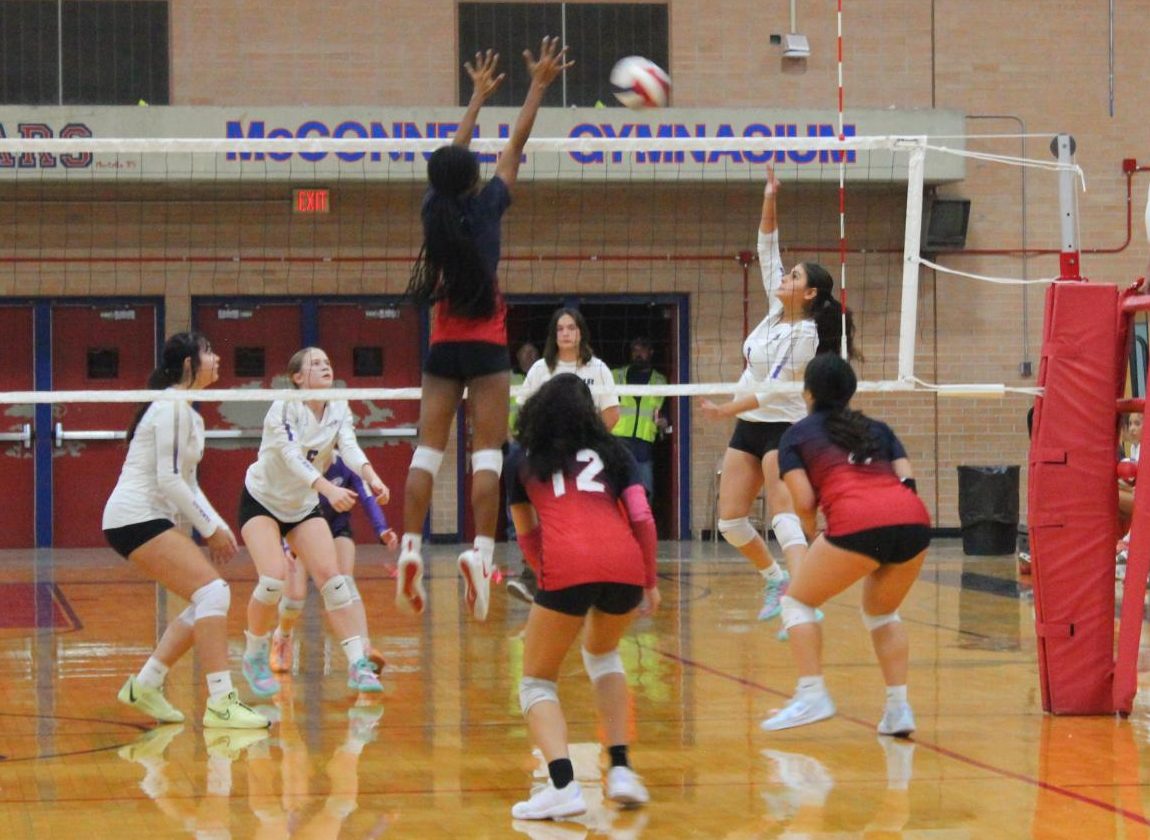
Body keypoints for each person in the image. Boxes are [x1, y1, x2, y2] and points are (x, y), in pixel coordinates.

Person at [398, 38, 573, 622]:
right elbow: (515, 144)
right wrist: (538, 87)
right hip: (488, 347)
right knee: (488, 457)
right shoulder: (491, 205)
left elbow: (452, 159)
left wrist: (473, 98)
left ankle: (410, 547)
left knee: (428, 450)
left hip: (444, 347)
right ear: (475, 178)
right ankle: (478, 552)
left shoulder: (434, 212)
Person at [699, 163, 856, 624]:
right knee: (730, 522)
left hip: (784, 426)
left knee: (782, 517)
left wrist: (724, 407)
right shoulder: (775, 311)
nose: (784, 278)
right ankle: (775, 579)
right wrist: (770, 195)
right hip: (749, 424)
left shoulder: (805, 336)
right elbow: (767, 244)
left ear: (808, 294)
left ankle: (802, 601)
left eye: (793, 277)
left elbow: (769, 393)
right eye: (785, 275)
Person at [505, 373, 660, 820]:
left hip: (568, 564)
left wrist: (547, 579)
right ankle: (623, 770)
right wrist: (648, 580)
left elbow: (527, 533)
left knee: (536, 680)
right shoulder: (616, 452)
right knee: (604, 655)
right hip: (625, 565)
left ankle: (563, 786)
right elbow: (642, 518)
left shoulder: (522, 459)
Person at [104, 331, 268, 729]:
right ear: (189, 364)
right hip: (134, 517)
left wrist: (217, 525)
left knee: (206, 600)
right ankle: (221, 703)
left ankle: (146, 685)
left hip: (147, 517)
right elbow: (170, 479)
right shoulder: (171, 407)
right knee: (214, 592)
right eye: (209, 351)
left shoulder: (190, 414)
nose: (217, 358)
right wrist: (209, 528)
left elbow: (188, 483)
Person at [761, 354, 929, 733]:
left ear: (807, 392)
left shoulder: (797, 435)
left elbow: (803, 501)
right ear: (851, 391)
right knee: (883, 613)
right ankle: (898, 709)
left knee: (797, 602)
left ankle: (811, 695)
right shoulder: (879, 429)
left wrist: (814, 533)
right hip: (913, 521)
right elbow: (907, 480)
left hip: (858, 522)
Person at [238, 347, 390, 699]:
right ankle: (255, 655)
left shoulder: (338, 406)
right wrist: (326, 490)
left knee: (334, 582)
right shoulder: (284, 407)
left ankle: (357, 664)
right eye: (315, 363)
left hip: (302, 504)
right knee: (273, 578)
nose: (325, 366)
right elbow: (291, 458)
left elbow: (349, 447)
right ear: (297, 377)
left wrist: (372, 476)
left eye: (327, 362)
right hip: (262, 499)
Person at [508, 307, 620, 604]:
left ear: (580, 331)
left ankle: (594, 575)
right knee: (545, 512)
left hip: (585, 458)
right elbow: (524, 411)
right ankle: (534, 575)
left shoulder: (597, 369)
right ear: (554, 335)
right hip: (548, 455)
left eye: (571, 327)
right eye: (560, 329)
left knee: (587, 514)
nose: (566, 333)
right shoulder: (540, 370)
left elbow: (612, 414)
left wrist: (588, 441)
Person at [269, 453, 398, 674]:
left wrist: (381, 528)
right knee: (294, 599)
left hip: (336, 528)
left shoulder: (346, 462)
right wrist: (287, 546)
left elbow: (367, 496)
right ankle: (283, 636)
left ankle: (364, 648)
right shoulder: (299, 464)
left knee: (344, 582)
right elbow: (282, 504)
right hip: (298, 528)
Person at [612, 336, 668, 501]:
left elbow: (665, 411)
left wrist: (664, 422)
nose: (638, 353)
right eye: (634, 349)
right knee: (616, 494)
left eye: (642, 349)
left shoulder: (660, 381)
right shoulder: (616, 376)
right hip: (619, 445)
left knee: (645, 495)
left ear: (650, 352)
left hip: (644, 447)